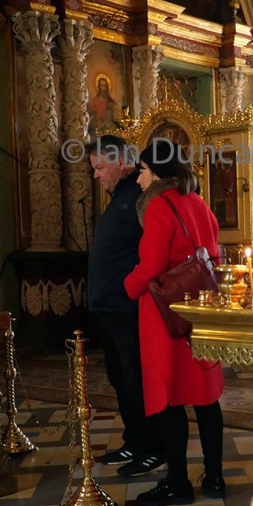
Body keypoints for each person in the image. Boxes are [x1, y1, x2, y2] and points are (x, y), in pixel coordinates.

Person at [124, 138, 225, 506]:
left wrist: (127, 286)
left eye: (143, 172)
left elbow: (151, 267)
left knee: (168, 400)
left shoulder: (158, 206)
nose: (139, 180)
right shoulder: (197, 202)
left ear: (158, 173)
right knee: (205, 398)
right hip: (201, 310)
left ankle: (178, 482)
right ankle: (215, 478)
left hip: (165, 315)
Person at [87, 134, 162, 477]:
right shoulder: (120, 194)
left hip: (129, 308)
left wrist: (131, 290)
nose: (96, 175)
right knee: (121, 379)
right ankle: (134, 440)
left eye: (100, 167)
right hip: (110, 308)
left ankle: (151, 446)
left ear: (121, 162)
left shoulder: (139, 195)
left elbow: (153, 251)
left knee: (136, 379)